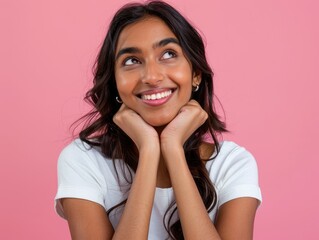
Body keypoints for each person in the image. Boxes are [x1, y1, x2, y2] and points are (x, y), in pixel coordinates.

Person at [55, 1, 262, 239]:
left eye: (168, 54)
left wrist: (173, 149)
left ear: (195, 74)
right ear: (114, 82)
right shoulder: (83, 161)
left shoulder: (232, 164)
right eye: (132, 60)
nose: (152, 77)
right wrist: (149, 151)